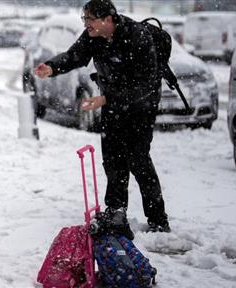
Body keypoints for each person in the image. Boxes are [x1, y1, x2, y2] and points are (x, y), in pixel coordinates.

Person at [34, 0, 170, 233]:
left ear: (108, 19)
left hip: (141, 105)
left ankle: (158, 219)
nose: (86, 24)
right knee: (113, 156)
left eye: (90, 19)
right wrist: (52, 67)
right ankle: (116, 210)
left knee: (138, 158)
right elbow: (74, 56)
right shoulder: (92, 36)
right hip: (112, 102)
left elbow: (146, 84)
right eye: (84, 19)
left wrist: (107, 99)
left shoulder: (137, 37)